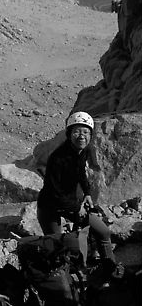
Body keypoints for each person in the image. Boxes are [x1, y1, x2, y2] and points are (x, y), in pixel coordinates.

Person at [37, 111, 122, 275]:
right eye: (77, 131)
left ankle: (110, 270)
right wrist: (77, 208)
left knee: (103, 231)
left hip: (70, 203)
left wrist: (87, 193)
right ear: (69, 134)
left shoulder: (82, 151)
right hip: (50, 206)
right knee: (57, 248)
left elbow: (81, 173)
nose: (82, 136)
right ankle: (66, 284)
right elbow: (54, 192)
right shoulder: (58, 158)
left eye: (86, 132)